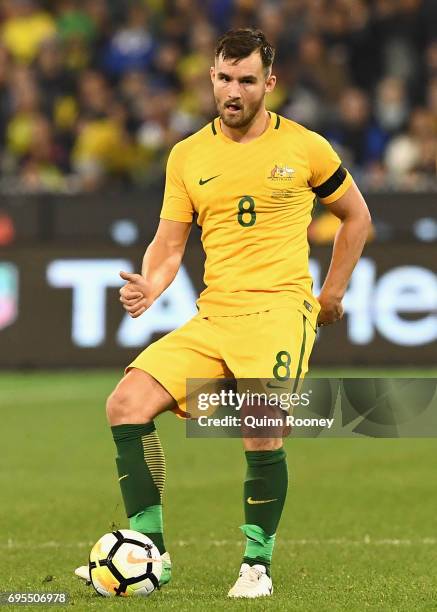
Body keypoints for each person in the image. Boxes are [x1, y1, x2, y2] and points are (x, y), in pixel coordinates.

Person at [75, 27, 371, 598]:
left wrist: (332, 294)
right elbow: (168, 243)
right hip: (216, 314)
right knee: (126, 404)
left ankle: (256, 565)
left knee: (260, 424)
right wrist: (152, 286)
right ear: (211, 76)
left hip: (281, 307)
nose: (233, 92)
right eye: (224, 78)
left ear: (269, 83)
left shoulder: (305, 147)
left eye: (246, 80)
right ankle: (149, 552)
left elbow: (356, 217)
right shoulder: (187, 155)